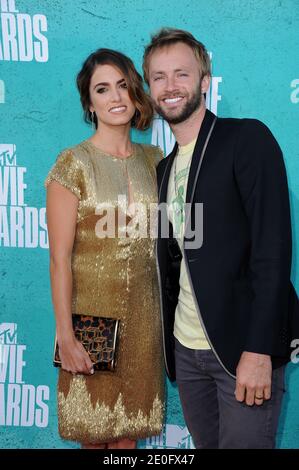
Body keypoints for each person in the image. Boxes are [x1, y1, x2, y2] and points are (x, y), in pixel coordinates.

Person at [143, 28, 299, 449]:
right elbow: (173, 262)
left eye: (181, 74)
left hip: (242, 351)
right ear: (150, 88)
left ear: (205, 81)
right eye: (159, 77)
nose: (170, 86)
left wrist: (260, 349)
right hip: (187, 352)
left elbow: (273, 249)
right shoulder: (162, 170)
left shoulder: (246, 140)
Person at [45, 48, 164, 449]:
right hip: (91, 321)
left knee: (129, 438)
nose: (115, 97)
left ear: (135, 93)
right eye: (102, 89)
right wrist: (66, 335)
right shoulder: (73, 163)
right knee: (93, 434)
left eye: (123, 85)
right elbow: (59, 259)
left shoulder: (156, 159)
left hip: (145, 319)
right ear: (89, 103)